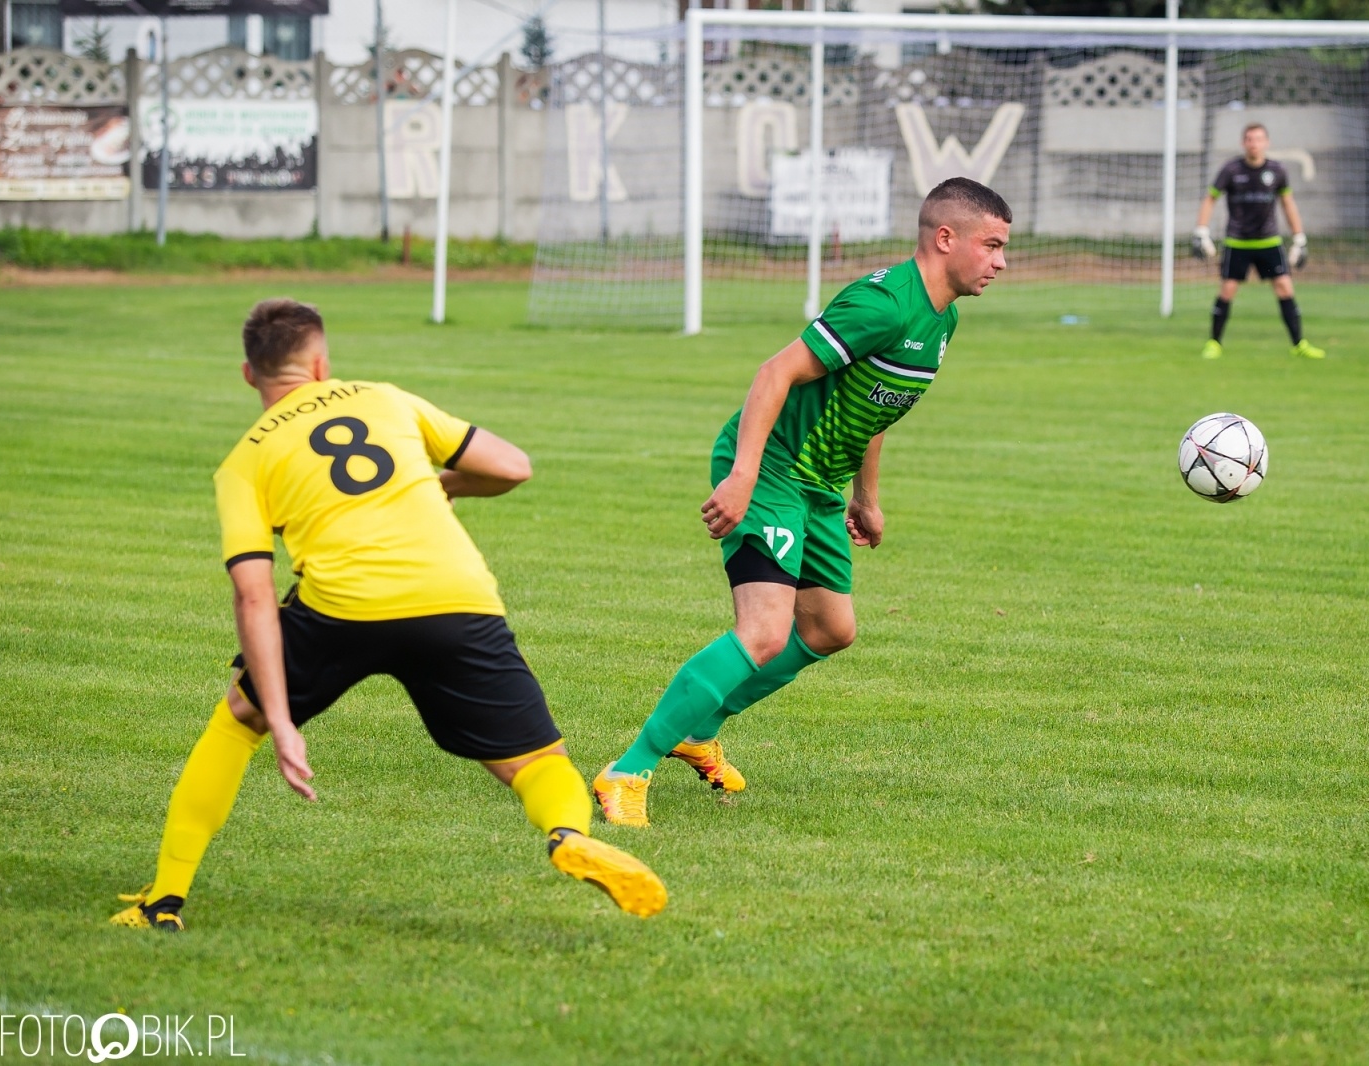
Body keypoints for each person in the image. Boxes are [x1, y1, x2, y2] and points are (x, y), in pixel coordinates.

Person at [111, 298, 666, 930]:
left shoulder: (243, 462)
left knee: (239, 721)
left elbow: (254, 596)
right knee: (538, 764)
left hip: (342, 608)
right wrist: (441, 484)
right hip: (456, 596)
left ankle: (164, 903)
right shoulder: (385, 398)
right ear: (320, 362)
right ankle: (567, 835)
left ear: (249, 375)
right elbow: (513, 466)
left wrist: (281, 718)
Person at [593, 177, 1011, 828]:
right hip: (774, 471)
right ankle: (627, 770)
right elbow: (776, 372)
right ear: (945, 237)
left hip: (818, 485)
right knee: (763, 631)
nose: (1000, 262)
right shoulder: (884, 306)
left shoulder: (941, 319)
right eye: (992, 245)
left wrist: (865, 497)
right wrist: (741, 476)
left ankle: (696, 730)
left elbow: (872, 407)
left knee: (829, 629)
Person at [1192, 122, 1325, 361]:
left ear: (1267, 143)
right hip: (1238, 243)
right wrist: (1201, 231)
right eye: (1250, 139)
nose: (1254, 144)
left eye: (1258, 139)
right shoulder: (1231, 170)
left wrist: (1299, 238)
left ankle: (1299, 344)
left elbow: (1288, 204)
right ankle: (1214, 343)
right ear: (1244, 143)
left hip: (1268, 242)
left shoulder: (1277, 171)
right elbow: (1210, 199)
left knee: (1285, 287)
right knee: (1227, 290)